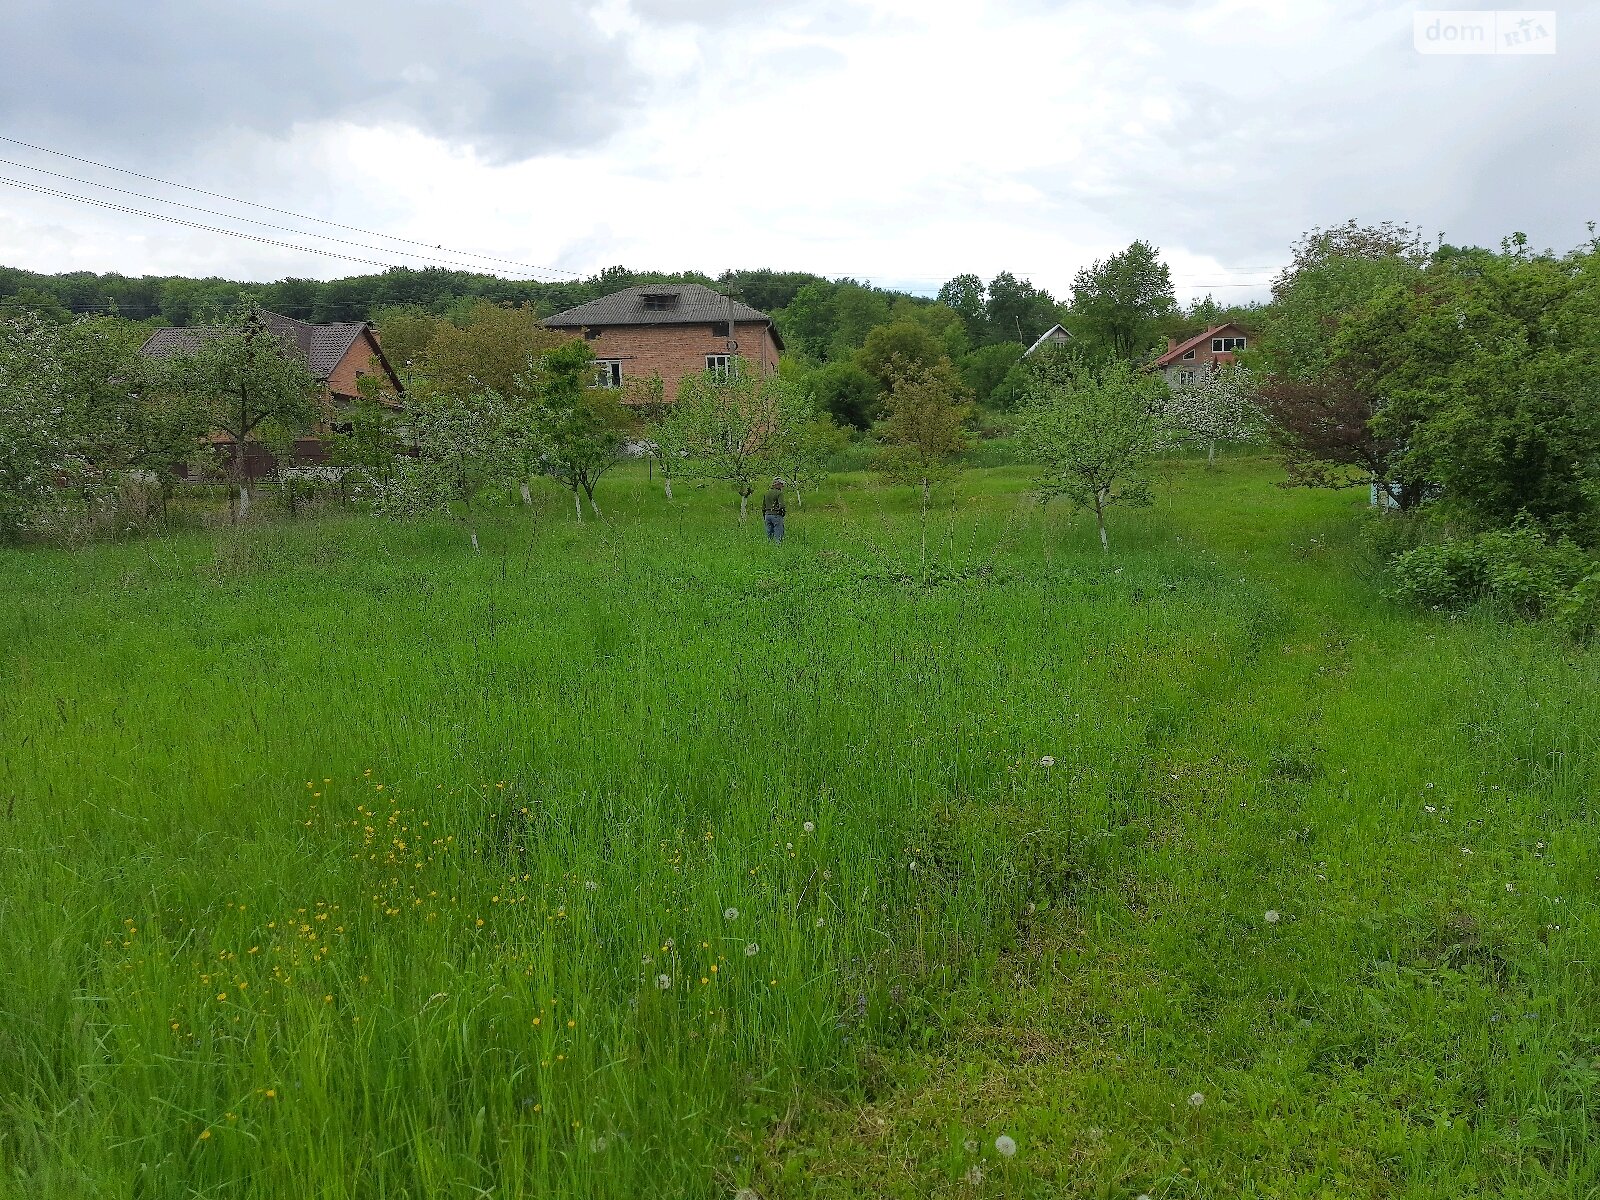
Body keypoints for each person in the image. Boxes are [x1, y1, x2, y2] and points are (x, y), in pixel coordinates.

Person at [761, 477, 787, 542]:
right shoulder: (779, 493)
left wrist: (764, 515)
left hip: (767, 515)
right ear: (777, 485)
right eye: (781, 484)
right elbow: (781, 506)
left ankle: (769, 548)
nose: (782, 486)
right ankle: (778, 550)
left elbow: (763, 506)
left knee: (769, 535)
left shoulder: (766, 493)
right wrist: (783, 513)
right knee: (778, 535)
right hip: (776, 515)